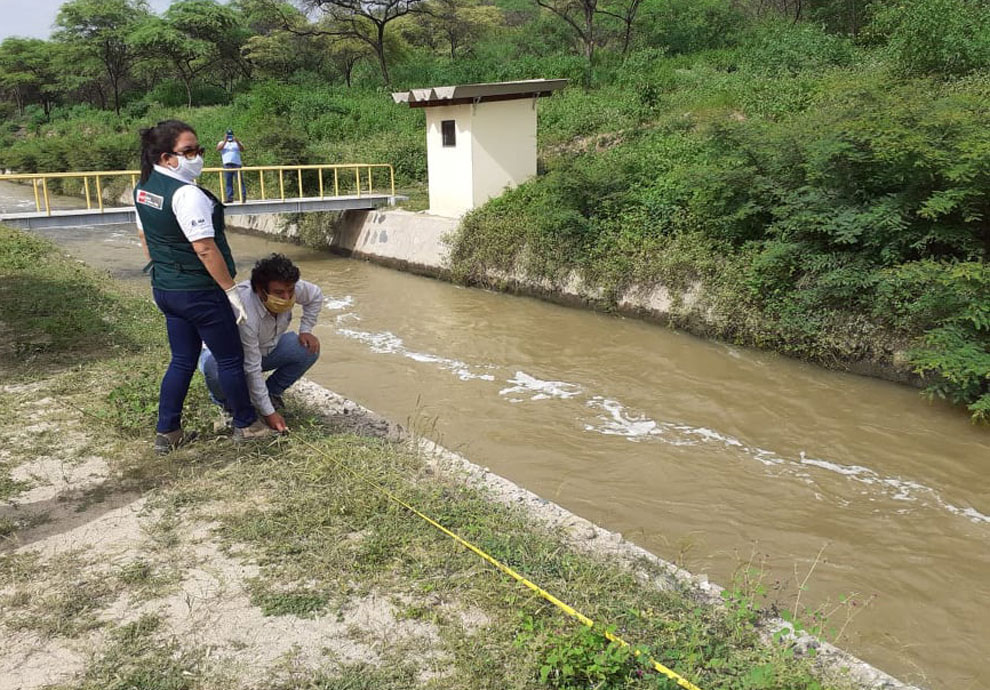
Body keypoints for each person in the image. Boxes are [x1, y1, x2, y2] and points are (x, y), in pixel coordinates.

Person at [134, 119, 274, 455]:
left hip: (167, 290)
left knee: (182, 359)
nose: (197, 156)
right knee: (230, 359)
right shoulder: (187, 194)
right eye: (189, 151)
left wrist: (165, 273)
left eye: (198, 149)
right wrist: (230, 290)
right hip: (200, 292)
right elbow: (205, 249)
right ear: (167, 157)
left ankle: (168, 431)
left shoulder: (145, 188)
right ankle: (246, 424)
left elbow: (145, 237)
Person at [198, 253, 323, 432]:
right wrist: (268, 414)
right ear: (260, 289)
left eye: (290, 291)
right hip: (230, 357)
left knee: (308, 349)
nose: (287, 297)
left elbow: (316, 296)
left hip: (266, 348)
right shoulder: (245, 312)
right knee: (214, 369)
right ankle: (227, 404)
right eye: (279, 293)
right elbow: (252, 367)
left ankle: (271, 393)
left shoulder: (292, 288)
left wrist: (306, 330)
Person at [217, 128, 246, 203]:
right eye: (228, 135)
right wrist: (225, 140)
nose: (229, 137)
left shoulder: (237, 142)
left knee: (240, 181)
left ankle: (243, 197)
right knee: (228, 182)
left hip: (237, 164)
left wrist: (237, 141)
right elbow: (218, 149)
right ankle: (230, 198)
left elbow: (242, 149)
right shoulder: (222, 142)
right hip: (227, 164)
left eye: (231, 135)